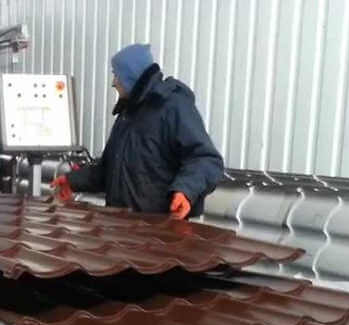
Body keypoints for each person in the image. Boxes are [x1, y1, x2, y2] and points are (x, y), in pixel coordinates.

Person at [53, 44, 224, 219]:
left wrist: (186, 191)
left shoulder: (173, 107)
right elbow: (108, 170)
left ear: (131, 75)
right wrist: (72, 180)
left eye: (116, 75)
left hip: (160, 227)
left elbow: (206, 159)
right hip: (121, 224)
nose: (114, 82)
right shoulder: (128, 113)